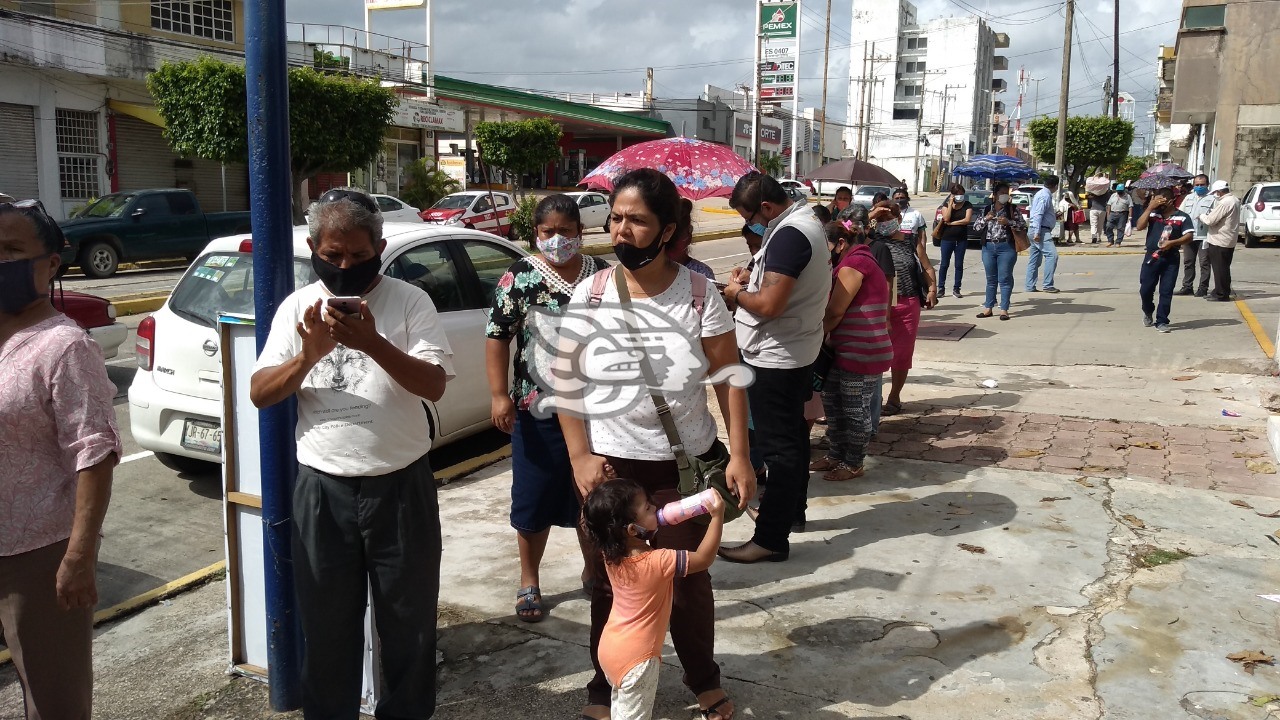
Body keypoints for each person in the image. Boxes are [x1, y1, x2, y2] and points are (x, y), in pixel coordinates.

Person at [555, 168, 753, 720]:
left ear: (668, 231)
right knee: (608, 582)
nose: (621, 230)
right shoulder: (590, 295)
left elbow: (730, 377)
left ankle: (704, 682)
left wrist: (739, 454)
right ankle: (604, 688)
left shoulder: (697, 294)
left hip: (681, 470)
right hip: (611, 473)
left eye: (637, 221)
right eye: (616, 218)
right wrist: (579, 455)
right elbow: (566, 381)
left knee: (688, 584)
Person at [249, 188, 454, 718]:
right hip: (324, 491)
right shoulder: (297, 308)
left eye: (360, 256)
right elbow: (261, 393)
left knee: (408, 627)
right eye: (333, 256)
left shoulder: (410, 302)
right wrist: (308, 355)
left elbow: (433, 384)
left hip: (400, 487)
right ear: (314, 248)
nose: (345, 266)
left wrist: (372, 344)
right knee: (326, 627)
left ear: (380, 247)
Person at [0, 199, 120, 720]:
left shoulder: (64, 347)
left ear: (51, 263)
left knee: (53, 702)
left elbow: (95, 453)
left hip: (38, 554)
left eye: (10, 249)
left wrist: (79, 557)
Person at [486, 194, 610, 623]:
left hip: (598, 408)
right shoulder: (519, 278)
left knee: (592, 497)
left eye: (566, 232)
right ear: (536, 234)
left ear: (580, 231)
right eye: (548, 232)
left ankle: (595, 569)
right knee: (533, 499)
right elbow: (497, 336)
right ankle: (529, 580)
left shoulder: (603, 275)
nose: (558, 240)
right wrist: (500, 395)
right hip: (537, 410)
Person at [721, 171, 829, 565]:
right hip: (792, 348)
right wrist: (754, 278)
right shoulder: (799, 224)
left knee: (779, 448)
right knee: (794, 440)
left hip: (776, 356)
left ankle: (770, 538)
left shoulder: (790, 233)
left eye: (749, 216)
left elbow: (768, 306)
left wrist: (737, 293)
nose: (748, 224)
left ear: (765, 207)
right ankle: (790, 514)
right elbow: (782, 284)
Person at [582, 479, 726, 720]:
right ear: (631, 530)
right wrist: (717, 517)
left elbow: (591, 520)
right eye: (648, 508)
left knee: (620, 708)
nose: (656, 508)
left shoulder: (609, 555)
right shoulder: (659, 561)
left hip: (609, 648)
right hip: (638, 661)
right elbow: (704, 558)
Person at [811, 219, 893, 481]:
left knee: (855, 409)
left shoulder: (854, 264)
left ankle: (854, 462)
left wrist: (811, 335)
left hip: (862, 350)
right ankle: (836, 454)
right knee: (833, 403)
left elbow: (835, 311)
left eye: (826, 248)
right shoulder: (852, 262)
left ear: (841, 243)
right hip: (845, 349)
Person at [879, 191, 935, 416]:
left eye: (890, 217)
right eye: (881, 220)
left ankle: (894, 397)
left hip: (907, 302)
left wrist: (932, 289)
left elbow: (928, 267)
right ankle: (872, 397)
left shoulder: (911, 241)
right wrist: (874, 213)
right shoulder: (871, 240)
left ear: (899, 218)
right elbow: (848, 224)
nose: (885, 223)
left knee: (901, 353)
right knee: (875, 351)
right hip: (878, 303)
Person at [1134, 185, 1195, 332]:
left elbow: (1189, 236)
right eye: (1156, 199)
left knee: (1166, 290)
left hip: (1171, 258)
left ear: (1170, 200)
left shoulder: (1182, 216)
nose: (1159, 203)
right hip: (1152, 256)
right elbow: (1139, 226)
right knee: (1145, 289)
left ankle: (1162, 320)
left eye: (1161, 199)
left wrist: (1173, 243)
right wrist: (1149, 208)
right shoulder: (1153, 215)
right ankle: (1148, 310)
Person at [973, 182, 1028, 321]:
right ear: (995, 194)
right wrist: (987, 218)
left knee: (1004, 277)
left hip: (1006, 247)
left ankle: (1004, 309)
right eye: (1002, 193)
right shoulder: (987, 209)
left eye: (1007, 193)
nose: (1005, 195)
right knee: (991, 279)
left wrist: (1008, 222)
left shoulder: (1013, 210)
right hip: (989, 247)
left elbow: (1022, 225)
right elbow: (976, 228)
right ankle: (988, 307)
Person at [1198, 179, 1242, 302]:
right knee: (1223, 268)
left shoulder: (1225, 202)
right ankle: (1219, 291)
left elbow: (1210, 220)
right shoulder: (1234, 200)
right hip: (1228, 239)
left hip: (1220, 240)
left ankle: (1221, 294)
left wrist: (1201, 216)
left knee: (1220, 269)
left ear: (1219, 192)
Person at [1176, 174, 1215, 296]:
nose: (1199, 187)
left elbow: (1215, 217)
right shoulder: (1188, 198)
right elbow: (1181, 213)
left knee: (1204, 263)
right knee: (1188, 262)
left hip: (1204, 236)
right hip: (1189, 235)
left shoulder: (1213, 199)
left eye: (1202, 185)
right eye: (1197, 185)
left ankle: (1203, 288)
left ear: (1207, 185)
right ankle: (1187, 286)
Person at [935, 183, 973, 298]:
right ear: (952, 195)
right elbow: (946, 218)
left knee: (959, 264)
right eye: (957, 194)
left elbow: (967, 220)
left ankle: (957, 288)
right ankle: (941, 288)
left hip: (961, 239)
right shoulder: (946, 205)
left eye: (961, 194)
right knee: (944, 264)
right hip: (947, 238)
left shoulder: (967, 205)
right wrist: (951, 204)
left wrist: (953, 223)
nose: (959, 196)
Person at [665, 198, 716, 281]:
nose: (670, 243)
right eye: (667, 236)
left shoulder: (702, 274)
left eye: (677, 237)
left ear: (689, 237)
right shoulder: (648, 272)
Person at [1025, 175, 1060, 293]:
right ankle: (1048, 284)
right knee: (1052, 255)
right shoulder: (1045, 196)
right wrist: (1037, 232)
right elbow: (1038, 214)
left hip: (1037, 229)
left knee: (1035, 259)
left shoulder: (1041, 194)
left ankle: (1030, 285)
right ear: (1055, 186)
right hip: (1040, 230)